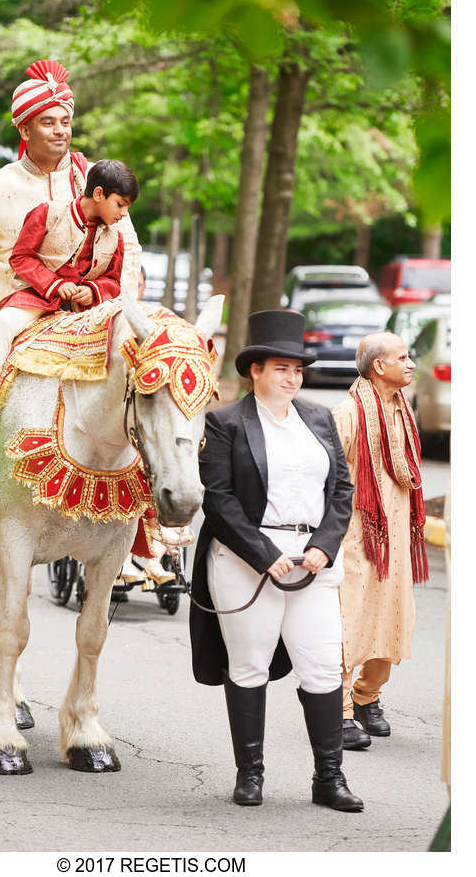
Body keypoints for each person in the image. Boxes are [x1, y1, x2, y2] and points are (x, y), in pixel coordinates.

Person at [189, 310, 363, 812]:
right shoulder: (224, 424)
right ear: (255, 371)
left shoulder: (319, 418)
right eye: (282, 368)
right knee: (249, 664)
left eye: (298, 370)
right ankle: (251, 774)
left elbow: (341, 491)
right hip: (247, 560)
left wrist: (324, 547)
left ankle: (329, 779)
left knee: (323, 665)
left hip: (315, 561)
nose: (292, 377)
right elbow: (218, 500)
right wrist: (266, 556)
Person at [0, 59, 141, 351]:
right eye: (48, 123)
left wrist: (118, 306)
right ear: (25, 131)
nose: (60, 131)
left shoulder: (95, 178)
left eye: (65, 122)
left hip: (87, 311)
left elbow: (127, 247)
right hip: (11, 307)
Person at [0, 158, 139, 430]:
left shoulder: (116, 237)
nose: (124, 214)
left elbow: (113, 280)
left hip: (83, 311)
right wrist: (54, 284)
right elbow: (21, 258)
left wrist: (92, 290)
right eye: (120, 204)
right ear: (99, 194)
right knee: (4, 325)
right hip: (37, 296)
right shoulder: (48, 213)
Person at [333, 333, 428, 750]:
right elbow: (331, 478)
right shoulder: (348, 412)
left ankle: (368, 696)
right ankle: (337, 711)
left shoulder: (402, 410)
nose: (411, 364)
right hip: (358, 536)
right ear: (378, 367)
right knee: (349, 621)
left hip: (397, 536)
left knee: (392, 617)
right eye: (403, 358)